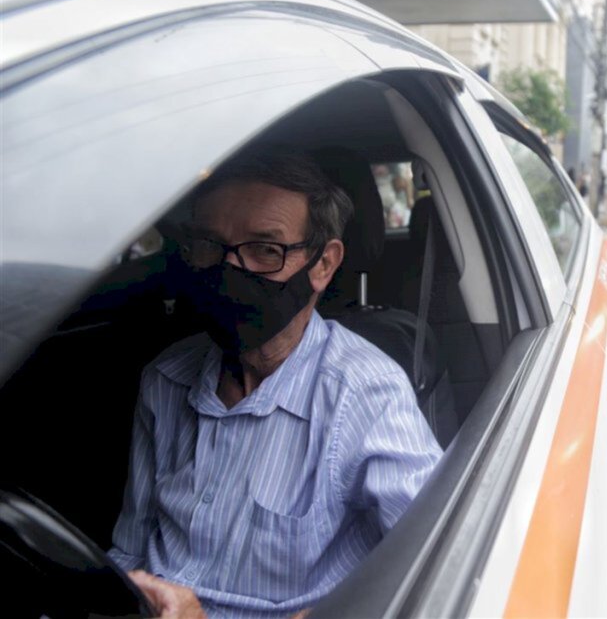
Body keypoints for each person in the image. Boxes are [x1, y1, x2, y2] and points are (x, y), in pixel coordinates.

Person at [109, 146, 443, 618]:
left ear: (323, 265)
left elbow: (435, 577)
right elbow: (131, 548)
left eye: (265, 249)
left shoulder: (366, 395)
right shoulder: (165, 378)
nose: (232, 270)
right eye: (209, 246)